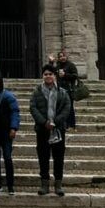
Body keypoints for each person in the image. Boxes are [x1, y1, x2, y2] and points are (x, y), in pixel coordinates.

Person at [30, 65, 72, 196]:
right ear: (43, 76)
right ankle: (45, 183)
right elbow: (33, 107)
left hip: (58, 129)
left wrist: (56, 121)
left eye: (50, 74)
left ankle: (58, 184)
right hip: (42, 129)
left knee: (59, 157)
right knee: (43, 157)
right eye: (46, 74)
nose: (48, 76)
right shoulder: (37, 91)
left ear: (55, 76)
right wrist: (44, 122)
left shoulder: (62, 92)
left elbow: (67, 107)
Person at [0, 72, 20, 195]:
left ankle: (10, 185)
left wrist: (13, 128)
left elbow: (14, 112)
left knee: (7, 157)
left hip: (6, 131)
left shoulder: (8, 96)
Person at [56, 50, 80, 129]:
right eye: (60, 56)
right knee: (61, 107)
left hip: (69, 89)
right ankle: (64, 124)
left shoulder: (71, 65)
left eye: (63, 56)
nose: (62, 58)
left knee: (69, 107)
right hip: (60, 89)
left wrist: (65, 75)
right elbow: (53, 73)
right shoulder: (58, 65)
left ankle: (71, 125)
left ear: (66, 57)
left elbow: (75, 76)